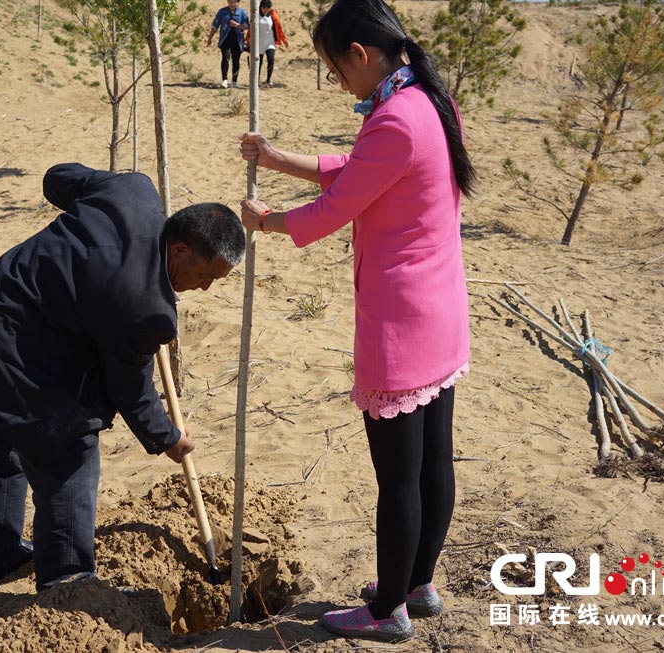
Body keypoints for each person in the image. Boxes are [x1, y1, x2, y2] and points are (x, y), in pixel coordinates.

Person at [238, 0, 476, 642]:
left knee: (397, 478)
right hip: (441, 312)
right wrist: (279, 159)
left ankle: (387, 609)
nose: (338, 81)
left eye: (335, 69)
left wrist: (268, 221)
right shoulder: (426, 101)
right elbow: (364, 173)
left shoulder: (395, 117)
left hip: (401, 320)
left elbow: (335, 207)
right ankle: (417, 584)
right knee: (434, 463)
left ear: (361, 54)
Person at [0, 163, 245, 591]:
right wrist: (168, 439)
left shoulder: (132, 190)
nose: (205, 288)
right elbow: (130, 390)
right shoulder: (147, 308)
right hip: (13, 349)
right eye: (205, 275)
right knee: (71, 451)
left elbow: (57, 179)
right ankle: (67, 582)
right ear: (179, 250)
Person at [207, 0, 249, 88]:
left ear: (238, 2)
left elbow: (246, 26)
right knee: (225, 58)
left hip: (237, 40)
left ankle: (234, 81)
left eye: (235, 2)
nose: (233, 4)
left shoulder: (242, 12)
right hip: (225, 39)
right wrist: (210, 37)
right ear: (228, 2)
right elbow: (215, 25)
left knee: (236, 60)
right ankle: (224, 80)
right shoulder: (222, 12)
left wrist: (237, 25)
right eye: (231, 2)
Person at [246, 0, 289, 87]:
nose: (265, 10)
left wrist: (284, 40)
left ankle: (268, 80)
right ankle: (256, 80)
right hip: (258, 43)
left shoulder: (273, 16)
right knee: (258, 62)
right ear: (260, 7)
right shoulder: (256, 16)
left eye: (267, 8)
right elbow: (251, 30)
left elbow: (279, 29)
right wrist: (248, 41)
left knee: (271, 59)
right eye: (264, 8)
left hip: (270, 42)